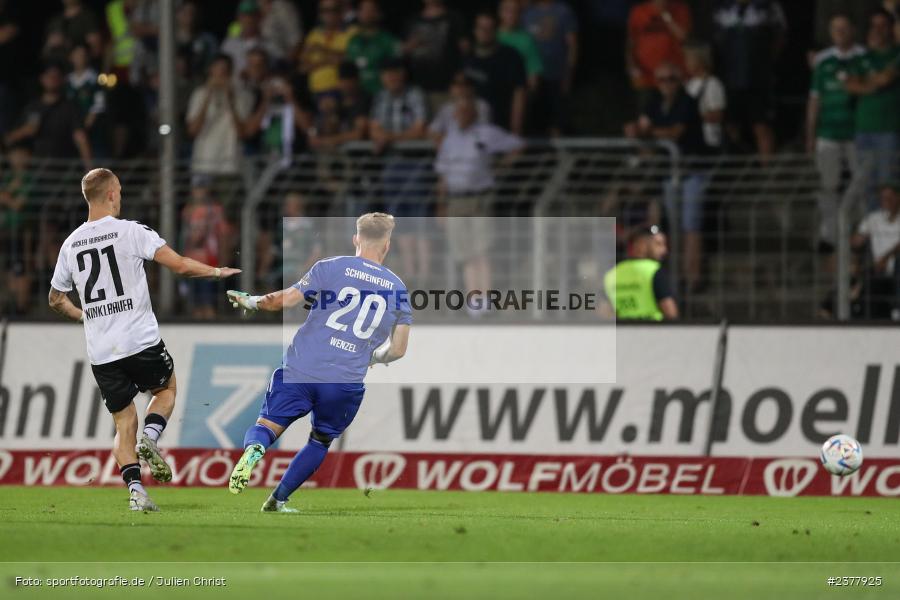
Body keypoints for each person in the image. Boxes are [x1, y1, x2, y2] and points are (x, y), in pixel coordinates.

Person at [47, 168, 240, 511]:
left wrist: (85, 316)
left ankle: (137, 493)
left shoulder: (70, 244)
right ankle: (151, 439)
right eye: (118, 191)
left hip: (102, 350)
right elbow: (179, 265)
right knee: (166, 390)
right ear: (109, 194)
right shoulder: (131, 232)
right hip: (139, 338)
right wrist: (216, 272)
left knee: (123, 424)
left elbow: (55, 299)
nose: (120, 197)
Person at [225, 213, 412, 512]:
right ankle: (277, 500)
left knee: (267, 425)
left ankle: (255, 448)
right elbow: (399, 349)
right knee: (320, 441)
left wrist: (252, 301)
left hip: (302, 369)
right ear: (387, 245)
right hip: (344, 382)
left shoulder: (330, 267)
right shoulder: (398, 288)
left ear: (356, 239)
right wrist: (374, 357)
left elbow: (284, 300)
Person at [435, 94, 524, 312]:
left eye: (466, 111)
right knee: (464, 253)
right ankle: (473, 301)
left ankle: (486, 298)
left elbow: (517, 145)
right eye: (459, 111)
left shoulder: (486, 133)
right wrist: (441, 205)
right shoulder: (450, 139)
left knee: (482, 249)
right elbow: (443, 174)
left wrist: (499, 168)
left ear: (474, 113)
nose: (461, 115)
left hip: (479, 198)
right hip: (456, 200)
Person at [636, 62, 708, 291]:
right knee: (667, 225)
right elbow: (640, 127)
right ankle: (670, 276)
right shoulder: (654, 102)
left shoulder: (687, 102)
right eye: (661, 80)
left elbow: (676, 132)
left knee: (690, 224)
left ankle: (692, 276)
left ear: (680, 81)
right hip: (667, 174)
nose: (666, 84)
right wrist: (644, 133)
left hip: (690, 173)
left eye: (671, 79)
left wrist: (650, 133)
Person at [807, 14, 866, 247]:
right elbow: (814, 99)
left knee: (861, 181)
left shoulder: (863, 56)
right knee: (827, 184)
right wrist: (810, 134)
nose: (839, 32)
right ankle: (829, 232)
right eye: (835, 29)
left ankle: (863, 228)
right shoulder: (822, 60)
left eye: (844, 28)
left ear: (852, 29)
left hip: (856, 132)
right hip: (828, 133)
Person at [712, 0, 787, 159]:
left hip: (758, 78)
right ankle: (734, 166)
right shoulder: (722, 7)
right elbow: (717, 39)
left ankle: (767, 173)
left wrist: (765, 62)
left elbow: (780, 36)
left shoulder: (768, 6)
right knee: (731, 124)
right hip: (730, 77)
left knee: (761, 125)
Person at [846, 8, 900, 209]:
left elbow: (884, 79)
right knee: (866, 185)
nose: (877, 30)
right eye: (873, 25)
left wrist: (865, 84)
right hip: (863, 129)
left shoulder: (897, 54)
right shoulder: (862, 57)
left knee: (888, 184)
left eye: (882, 26)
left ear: (890, 29)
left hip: (889, 130)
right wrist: (872, 84)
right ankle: (873, 235)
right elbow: (850, 85)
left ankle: (890, 236)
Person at [5, 63, 92, 168]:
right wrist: (24, 131)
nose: (52, 80)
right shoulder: (33, 107)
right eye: (49, 76)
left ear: (62, 80)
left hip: (62, 165)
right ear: (42, 79)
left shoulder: (69, 108)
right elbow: (9, 139)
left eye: (56, 77)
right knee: (17, 155)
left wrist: (89, 168)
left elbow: (80, 137)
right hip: (36, 165)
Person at [185, 54, 253, 178]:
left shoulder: (244, 96)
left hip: (230, 164)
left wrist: (231, 101)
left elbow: (242, 133)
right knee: (199, 197)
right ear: (210, 70)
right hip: (203, 163)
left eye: (225, 70)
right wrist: (207, 97)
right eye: (218, 69)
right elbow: (193, 130)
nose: (222, 74)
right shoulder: (199, 94)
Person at [463, 12, 527, 135]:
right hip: (470, 128)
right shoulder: (466, 57)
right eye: (481, 28)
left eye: (489, 28)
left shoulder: (510, 56)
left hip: (500, 126)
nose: (485, 32)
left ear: (496, 30)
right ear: (474, 30)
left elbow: (519, 92)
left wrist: (516, 127)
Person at [522, 0, 579, 135]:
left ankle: (557, 152)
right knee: (533, 120)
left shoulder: (563, 11)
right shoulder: (527, 12)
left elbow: (573, 44)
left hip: (556, 75)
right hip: (531, 77)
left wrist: (568, 74)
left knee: (557, 122)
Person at [403, 0, 468, 115]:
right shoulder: (413, 20)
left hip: (445, 87)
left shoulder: (454, 18)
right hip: (417, 88)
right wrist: (409, 47)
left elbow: (464, 50)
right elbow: (403, 51)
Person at [603, 226, 678, 320]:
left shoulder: (611, 274)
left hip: (623, 331)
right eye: (658, 244)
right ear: (641, 244)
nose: (664, 250)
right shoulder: (653, 270)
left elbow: (604, 312)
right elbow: (670, 312)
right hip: (652, 331)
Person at [626, 0, 692, 107]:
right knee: (646, 117)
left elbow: (683, 36)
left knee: (676, 116)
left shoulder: (680, 9)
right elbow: (631, 42)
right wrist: (631, 66)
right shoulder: (638, 11)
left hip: (673, 77)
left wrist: (666, 16)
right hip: (646, 76)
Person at [851, 183, 900, 318]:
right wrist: (854, 259)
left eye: (890, 198)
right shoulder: (874, 218)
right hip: (875, 270)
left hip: (893, 269)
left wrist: (886, 257)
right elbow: (856, 241)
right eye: (883, 198)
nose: (886, 202)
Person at [0, 144, 34, 315]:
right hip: (6, 230)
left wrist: (7, 197)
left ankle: (22, 306)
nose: (16, 158)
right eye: (13, 155)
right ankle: (12, 304)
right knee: (8, 269)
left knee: (21, 268)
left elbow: (18, 204)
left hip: (22, 230)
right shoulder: (8, 177)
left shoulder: (29, 178)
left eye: (20, 154)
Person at [301, 0, 357, 98]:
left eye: (332, 10)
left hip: (341, 91)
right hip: (315, 91)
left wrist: (322, 50)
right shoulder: (314, 34)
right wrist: (329, 60)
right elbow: (303, 67)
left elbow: (350, 59)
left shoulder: (352, 32)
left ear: (341, 12)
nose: (328, 15)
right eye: (323, 11)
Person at [346, 0, 400, 97]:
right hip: (358, 96)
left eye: (371, 10)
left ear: (379, 14)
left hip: (382, 95)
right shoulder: (353, 41)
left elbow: (396, 71)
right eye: (364, 10)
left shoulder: (388, 40)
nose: (367, 14)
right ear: (358, 13)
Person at [684, 42, 726, 152]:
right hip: (690, 138)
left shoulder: (713, 83)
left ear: (701, 60)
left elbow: (718, 115)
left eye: (689, 59)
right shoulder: (690, 83)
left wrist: (691, 118)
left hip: (708, 139)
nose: (686, 63)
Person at [498, 0, 543, 92]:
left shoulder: (527, 40)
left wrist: (528, 96)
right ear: (500, 12)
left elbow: (533, 74)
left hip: (517, 93)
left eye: (515, 11)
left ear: (520, 14)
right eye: (507, 10)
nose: (511, 14)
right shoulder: (491, 35)